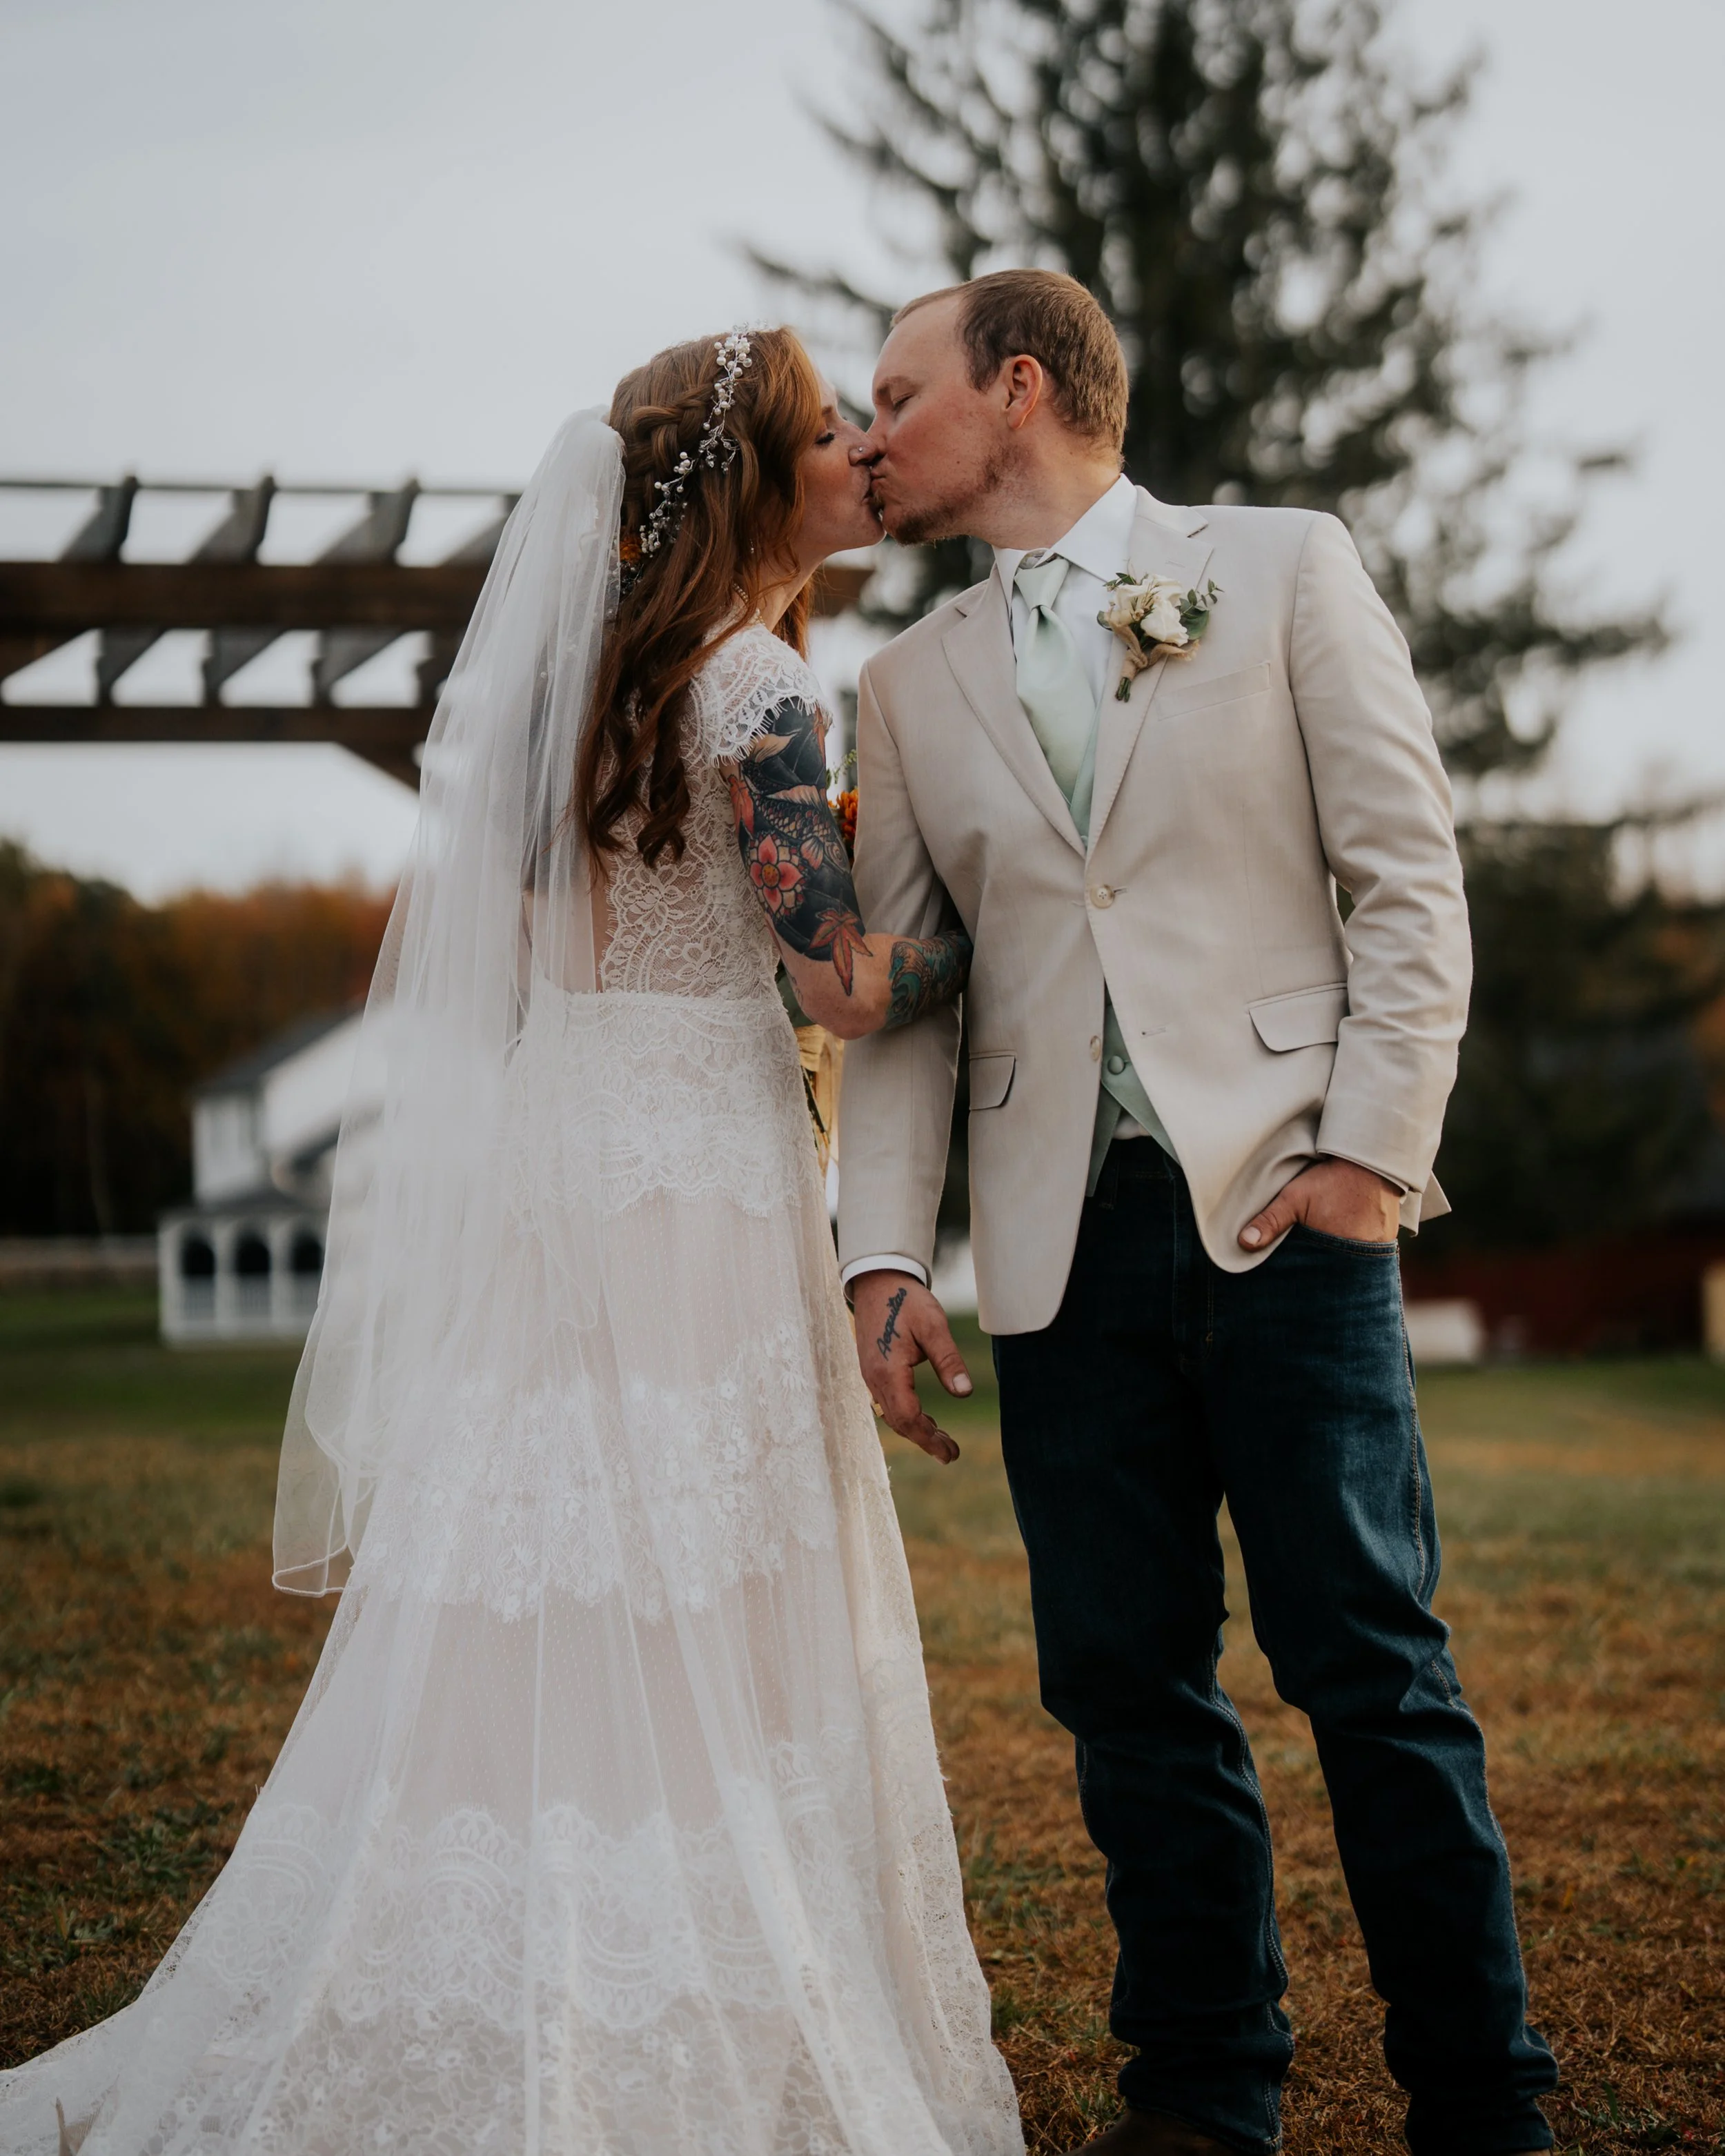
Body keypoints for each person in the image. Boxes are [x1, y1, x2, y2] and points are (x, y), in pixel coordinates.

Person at [1, 328, 1024, 2156]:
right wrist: (998, 914)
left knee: (538, 1548)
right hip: (696, 1178)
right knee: (701, 1569)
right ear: (747, 480)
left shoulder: (579, 702)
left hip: (567, 1158)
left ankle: (485, 1921)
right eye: (820, 437)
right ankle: (696, 1971)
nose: (852, 455)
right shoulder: (755, 697)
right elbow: (842, 984)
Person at [837, 269, 1558, 2156]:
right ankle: (1202, 2092)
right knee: (1124, 1687)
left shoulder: (1285, 570)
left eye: (893, 393)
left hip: (1287, 1211)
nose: (863, 433)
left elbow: (1407, 881)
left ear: (1015, 388)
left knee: (1371, 1667)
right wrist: (887, 1252)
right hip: (1056, 1251)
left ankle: (1480, 2098)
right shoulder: (904, 689)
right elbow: (908, 1008)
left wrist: (1363, 1161)